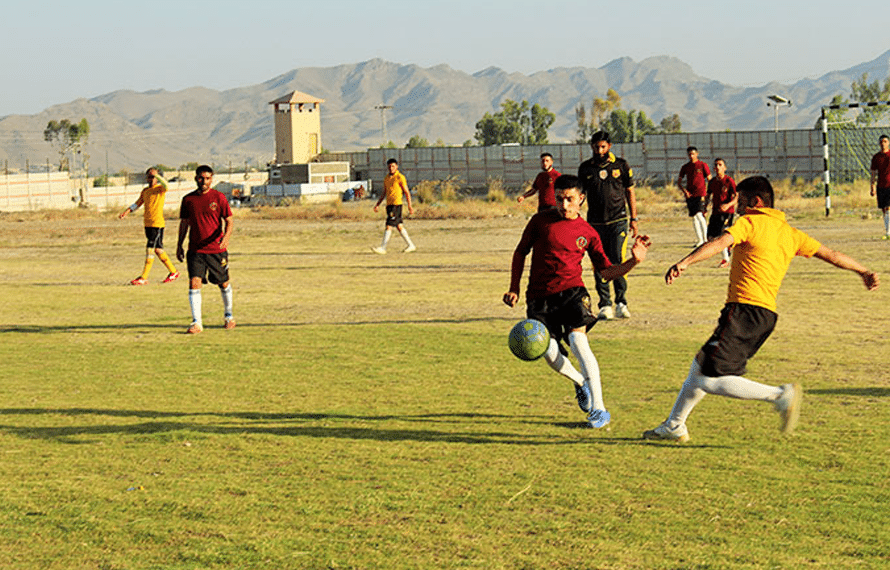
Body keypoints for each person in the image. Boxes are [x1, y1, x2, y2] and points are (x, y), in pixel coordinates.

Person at [643, 176, 879, 443]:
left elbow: (720, 243)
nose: (737, 208)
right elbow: (832, 255)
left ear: (755, 202)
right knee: (700, 364)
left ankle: (780, 395)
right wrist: (863, 271)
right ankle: (675, 425)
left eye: (741, 201)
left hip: (744, 312)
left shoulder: (750, 222)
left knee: (708, 379)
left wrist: (685, 262)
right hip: (764, 316)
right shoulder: (791, 233)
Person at [504, 174, 651, 428]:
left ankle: (599, 409)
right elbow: (520, 252)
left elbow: (606, 272)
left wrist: (633, 262)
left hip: (573, 293)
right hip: (539, 297)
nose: (564, 204)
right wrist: (513, 287)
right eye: (559, 199)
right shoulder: (540, 221)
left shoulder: (588, 232)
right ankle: (581, 382)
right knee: (548, 352)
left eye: (570, 199)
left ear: (581, 199)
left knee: (578, 342)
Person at [578, 131, 639, 320]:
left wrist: (634, 219)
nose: (599, 150)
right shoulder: (586, 168)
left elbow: (630, 192)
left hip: (618, 221)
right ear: (592, 147)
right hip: (595, 223)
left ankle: (621, 302)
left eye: (603, 147)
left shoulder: (621, 165)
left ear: (609, 146)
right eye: (596, 147)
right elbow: (580, 196)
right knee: (599, 262)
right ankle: (605, 304)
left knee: (617, 259)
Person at [176, 165, 235, 334]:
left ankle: (229, 316)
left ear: (212, 179)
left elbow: (229, 220)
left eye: (208, 178)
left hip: (216, 250)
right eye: (201, 178)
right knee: (194, 283)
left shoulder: (218, 197)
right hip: (195, 251)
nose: (204, 181)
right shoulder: (188, 200)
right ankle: (197, 322)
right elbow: (184, 223)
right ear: (196, 178)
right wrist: (179, 244)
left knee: (223, 283)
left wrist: (226, 237)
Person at [119, 167, 180, 285]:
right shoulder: (145, 191)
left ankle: (144, 277)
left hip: (157, 224)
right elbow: (137, 203)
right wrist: (126, 212)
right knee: (158, 250)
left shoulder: (160, 189)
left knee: (150, 249)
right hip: (147, 224)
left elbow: (166, 185)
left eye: (154, 177)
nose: (151, 179)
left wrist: (157, 176)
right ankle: (173, 272)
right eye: (149, 177)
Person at [372, 158, 416, 254]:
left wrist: (410, 206)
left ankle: (383, 247)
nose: (391, 168)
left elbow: (406, 192)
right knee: (399, 226)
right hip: (389, 205)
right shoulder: (386, 178)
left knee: (389, 225)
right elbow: (384, 193)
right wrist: (377, 204)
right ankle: (411, 245)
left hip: (396, 204)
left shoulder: (400, 177)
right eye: (389, 166)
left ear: (396, 166)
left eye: (393, 166)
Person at [704, 158, 738, 267]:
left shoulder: (729, 181)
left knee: (720, 235)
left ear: (725, 168)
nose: (718, 167)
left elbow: (737, 197)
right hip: (715, 212)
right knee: (710, 237)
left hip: (727, 213)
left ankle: (726, 259)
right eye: (716, 165)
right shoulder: (712, 182)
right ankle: (728, 247)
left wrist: (728, 205)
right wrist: (704, 207)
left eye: (720, 165)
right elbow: (708, 195)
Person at [677, 146, 711, 247]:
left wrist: (709, 192)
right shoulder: (685, 167)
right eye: (689, 154)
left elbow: (710, 179)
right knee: (694, 217)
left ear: (697, 154)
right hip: (690, 195)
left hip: (700, 193)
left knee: (700, 215)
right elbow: (679, 182)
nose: (691, 156)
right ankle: (700, 240)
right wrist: (685, 191)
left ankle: (706, 239)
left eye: (693, 154)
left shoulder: (702, 165)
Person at [869, 134, 890, 239]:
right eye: (881, 142)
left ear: (888, 143)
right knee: (884, 209)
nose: (883, 144)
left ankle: (889, 232)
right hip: (881, 185)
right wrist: (872, 186)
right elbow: (873, 173)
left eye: (885, 141)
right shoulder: (876, 157)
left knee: (889, 207)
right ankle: (887, 230)